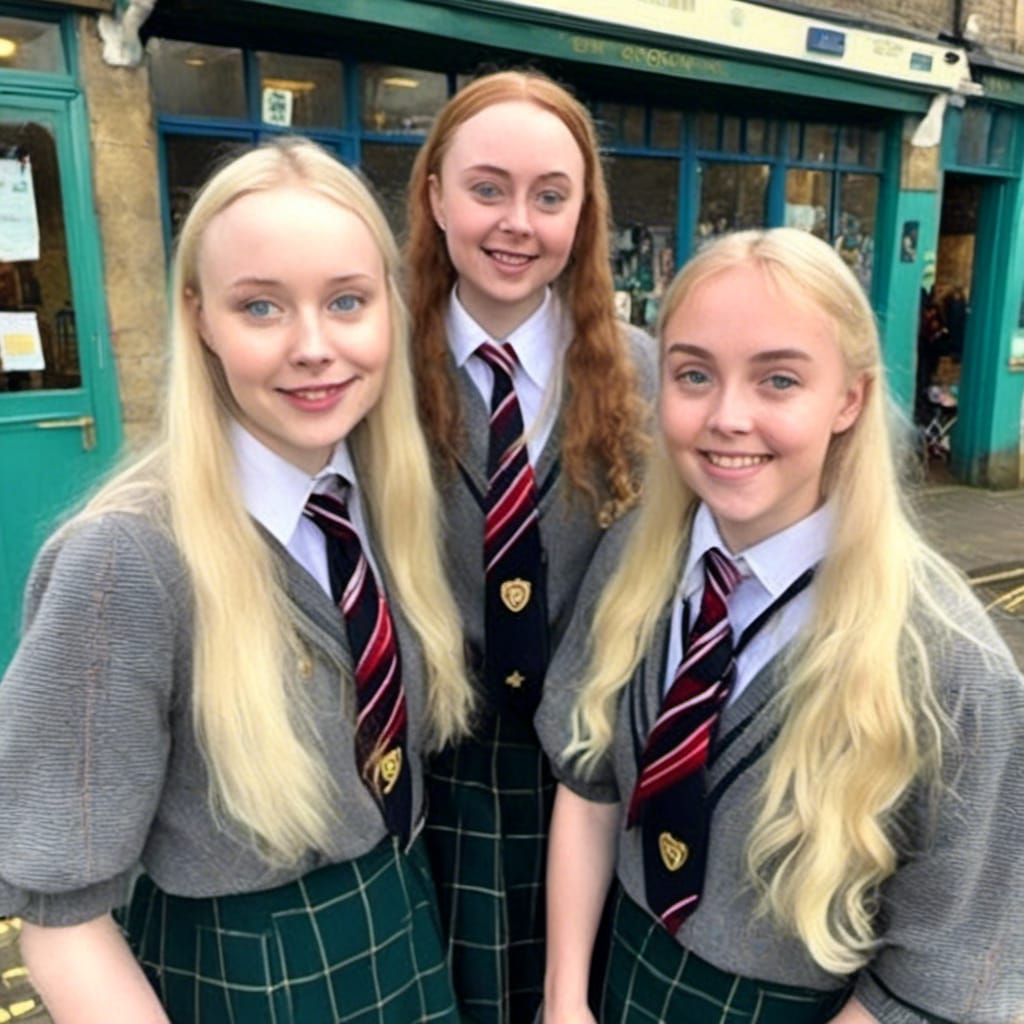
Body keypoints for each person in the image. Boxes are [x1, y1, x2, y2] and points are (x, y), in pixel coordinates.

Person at [0, 138, 474, 1024]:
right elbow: (63, 923)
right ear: (201, 319)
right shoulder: (123, 562)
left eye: (347, 301)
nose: (314, 348)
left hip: (401, 927)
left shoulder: (387, 505)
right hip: (248, 973)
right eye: (261, 307)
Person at [538, 228, 1024, 1023]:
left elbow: (945, 967)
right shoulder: (632, 557)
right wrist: (564, 1000)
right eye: (694, 374)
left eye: (779, 380)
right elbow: (588, 782)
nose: (728, 417)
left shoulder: (954, 665)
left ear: (849, 399)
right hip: (620, 978)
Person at [404, 70, 653, 1024]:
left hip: (589, 774)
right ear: (436, 196)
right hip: (430, 773)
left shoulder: (640, 372)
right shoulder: (376, 365)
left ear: (584, 214)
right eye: (487, 188)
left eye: (551, 196)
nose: (517, 222)